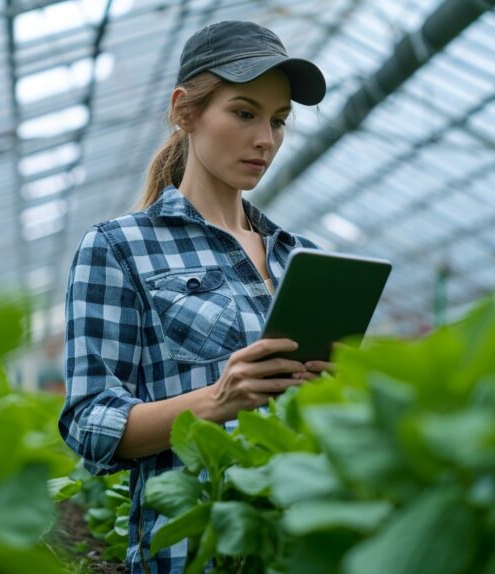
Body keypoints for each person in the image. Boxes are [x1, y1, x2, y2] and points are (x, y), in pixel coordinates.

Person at [59, 20, 331, 573]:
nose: (266, 139)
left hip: (298, 546)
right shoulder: (119, 247)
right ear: (186, 111)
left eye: (279, 121)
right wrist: (219, 399)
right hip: (191, 555)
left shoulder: (302, 257)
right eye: (244, 112)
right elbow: (90, 425)